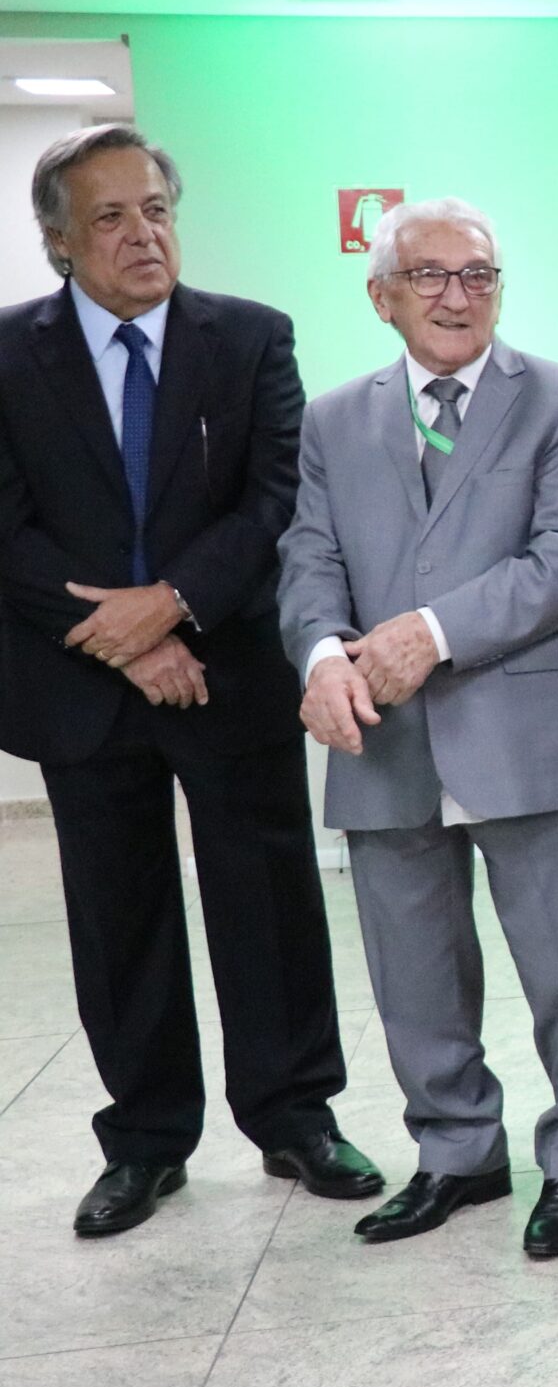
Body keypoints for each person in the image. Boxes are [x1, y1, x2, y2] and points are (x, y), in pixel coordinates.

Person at [0, 125, 380, 1236]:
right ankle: (147, 1139)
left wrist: (172, 606)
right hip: (78, 682)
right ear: (61, 241)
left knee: (265, 899)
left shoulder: (249, 337)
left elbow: (274, 500)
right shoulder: (8, 355)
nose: (142, 233)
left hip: (227, 670)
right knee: (118, 916)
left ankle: (295, 1115)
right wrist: (121, 633)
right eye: (110, 216)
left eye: (156, 208)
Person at [278, 197, 558, 1258]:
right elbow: (308, 558)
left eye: (477, 274)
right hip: (379, 736)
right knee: (412, 969)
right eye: (428, 275)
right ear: (380, 293)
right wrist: (320, 654)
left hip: (526, 730)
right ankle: (457, 1150)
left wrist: (430, 631)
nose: (455, 295)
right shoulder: (335, 418)